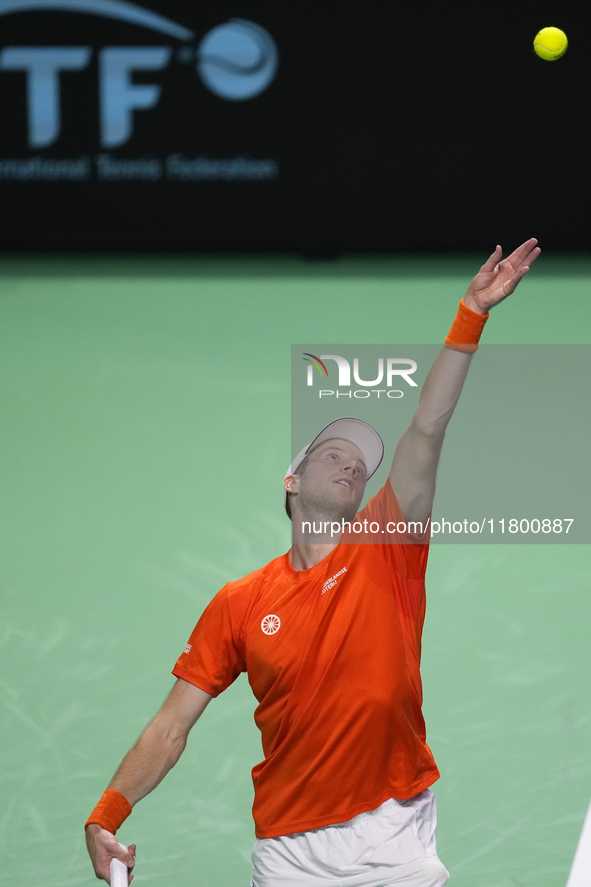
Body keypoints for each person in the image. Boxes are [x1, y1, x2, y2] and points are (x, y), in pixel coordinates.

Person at [85, 239, 540, 887]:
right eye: (332, 454)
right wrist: (106, 813)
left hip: (394, 835)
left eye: (359, 464)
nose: (351, 465)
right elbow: (171, 723)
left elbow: (428, 426)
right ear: (291, 482)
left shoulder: (390, 541)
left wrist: (470, 312)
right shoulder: (241, 600)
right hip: (290, 851)